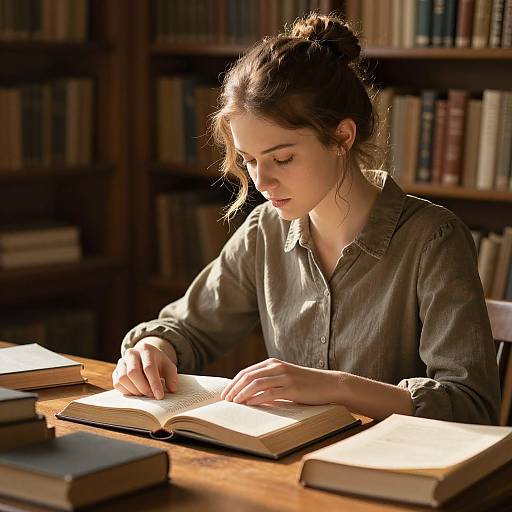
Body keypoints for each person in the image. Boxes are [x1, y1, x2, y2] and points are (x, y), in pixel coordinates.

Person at [113, 13, 500, 424]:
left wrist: (337, 387)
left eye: (282, 158)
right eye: (249, 160)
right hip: (291, 467)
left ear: (341, 138)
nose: (261, 181)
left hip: (400, 476)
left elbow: (471, 406)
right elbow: (186, 328)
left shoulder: (432, 239)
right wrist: (152, 349)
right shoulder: (264, 230)